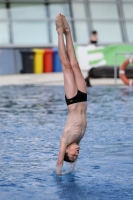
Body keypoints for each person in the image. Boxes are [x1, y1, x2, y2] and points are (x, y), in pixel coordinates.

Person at [55, 14, 87, 175]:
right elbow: (71, 165)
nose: (77, 154)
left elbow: (59, 166)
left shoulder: (65, 140)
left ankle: (60, 32)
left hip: (73, 100)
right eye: (76, 156)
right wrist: (72, 167)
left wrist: (60, 174)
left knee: (67, 66)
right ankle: (68, 32)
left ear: (66, 150)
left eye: (73, 155)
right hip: (83, 97)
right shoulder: (78, 139)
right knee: (75, 64)